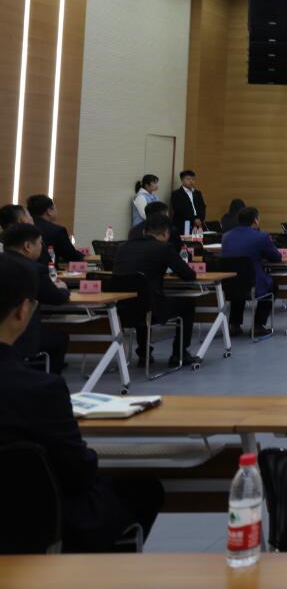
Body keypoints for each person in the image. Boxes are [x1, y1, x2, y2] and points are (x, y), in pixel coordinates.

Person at [0, 256, 164, 551]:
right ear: (23, 311)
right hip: (34, 522)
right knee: (142, 490)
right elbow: (79, 472)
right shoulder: (40, 390)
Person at [112, 213, 200, 368]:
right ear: (166, 233)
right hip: (151, 309)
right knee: (188, 303)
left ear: (144, 231)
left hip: (121, 310)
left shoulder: (122, 248)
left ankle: (144, 354)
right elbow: (189, 275)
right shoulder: (163, 248)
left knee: (141, 299)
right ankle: (179, 354)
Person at [2, 223, 70, 373]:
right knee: (60, 339)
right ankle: (46, 376)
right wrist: (63, 289)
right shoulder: (34, 269)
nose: (41, 247)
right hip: (20, 336)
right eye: (40, 243)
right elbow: (56, 298)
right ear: (27, 246)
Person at [217, 206, 283, 338]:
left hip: (229, 284)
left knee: (239, 286)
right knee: (272, 286)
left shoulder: (226, 236)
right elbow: (277, 257)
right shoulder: (261, 236)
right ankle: (258, 325)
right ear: (255, 220)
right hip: (253, 284)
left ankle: (234, 324)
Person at [26, 195, 82, 270]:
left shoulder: (21, 228)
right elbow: (72, 256)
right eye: (55, 208)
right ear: (49, 211)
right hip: (47, 273)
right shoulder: (57, 231)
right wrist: (83, 255)